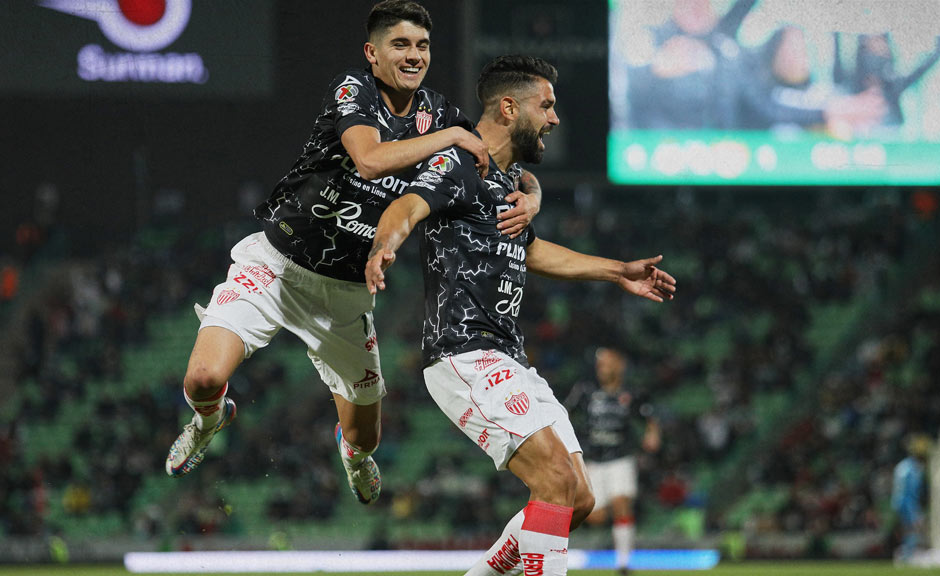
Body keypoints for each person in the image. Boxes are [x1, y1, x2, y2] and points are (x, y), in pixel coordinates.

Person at [164, 1, 543, 508]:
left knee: (367, 437)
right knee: (204, 378)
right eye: (401, 44)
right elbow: (368, 160)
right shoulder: (355, 89)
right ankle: (209, 419)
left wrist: (532, 194)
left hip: (344, 295)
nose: (414, 55)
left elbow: (501, 153)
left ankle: (354, 456)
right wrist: (452, 136)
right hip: (276, 265)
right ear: (373, 53)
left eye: (423, 45)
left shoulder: (438, 113)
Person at [365, 54, 677, 576]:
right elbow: (407, 208)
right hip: (464, 351)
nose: (555, 118)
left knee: (579, 499)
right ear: (509, 107)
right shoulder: (457, 161)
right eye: (546, 105)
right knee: (553, 479)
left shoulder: (506, 180)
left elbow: (531, 251)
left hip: (506, 356)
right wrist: (384, 245)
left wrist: (618, 271)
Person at [564, 347, 660, 576]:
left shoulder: (632, 393)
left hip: (621, 457)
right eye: (599, 365)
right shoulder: (585, 391)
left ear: (620, 366)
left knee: (621, 502)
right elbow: (564, 412)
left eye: (606, 364)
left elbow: (649, 417)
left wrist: (652, 433)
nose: (601, 369)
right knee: (594, 516)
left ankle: (624, 564)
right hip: (592, 461)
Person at [891, 433, 929, 563]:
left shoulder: (902, 466)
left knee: (908, 529)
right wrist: (915, 508)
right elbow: (911, 491)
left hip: (898, 502)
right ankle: (907, 555)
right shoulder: (913, 469)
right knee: (913, 528)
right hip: (908, 503)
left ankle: (906, 553)